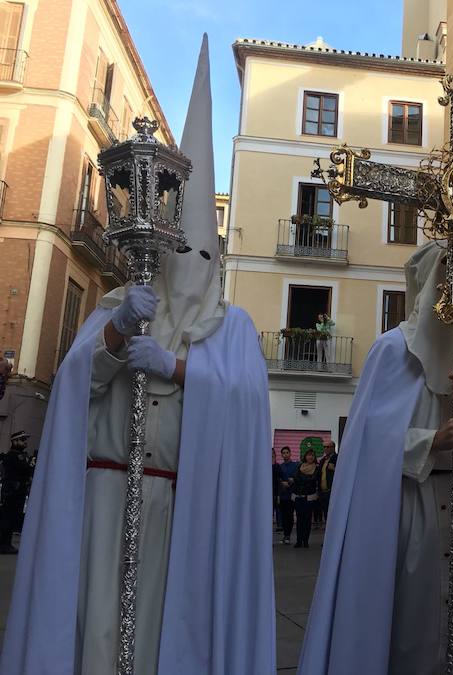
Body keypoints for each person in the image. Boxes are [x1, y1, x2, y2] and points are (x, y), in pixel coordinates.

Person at [0, 36, 275, 674]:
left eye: (205, 256)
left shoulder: (231, 327)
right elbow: (77, 384)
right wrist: (118, 335)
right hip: (104, 494)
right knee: (99, 628)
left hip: (182, 506)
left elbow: (246, 404)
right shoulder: (122, 302)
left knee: (161, 636)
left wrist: (177, 368)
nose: (192, 267)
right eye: (185, 254)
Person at [298, 241, 453, 675]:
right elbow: (367, 445)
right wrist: (431, 440)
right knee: (412, 630)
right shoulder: (390, 351)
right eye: (445, 275)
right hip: (411, 508)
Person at [0, 431, 32, 555]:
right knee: (8, 519)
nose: (25, 442)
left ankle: (6, 543)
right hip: (12, 492)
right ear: (15, 441)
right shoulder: (12, 456)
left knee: (12, 519)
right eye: (22, 440)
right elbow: (24, 469)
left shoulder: (21, 455)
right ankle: (4, 544)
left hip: (18, 491)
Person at [292, 449, 319, 548]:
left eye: (312, 455)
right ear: (305, 456)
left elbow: (313, 480)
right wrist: (305, 479)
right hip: (299, 496)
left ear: (314, 457)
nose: (310, 457)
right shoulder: (300, 466)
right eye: (308, 455)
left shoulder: (316, 468)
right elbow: (295, 478)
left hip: (309, 497)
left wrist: (302, 479)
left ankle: (306, 541)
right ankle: (299, 541)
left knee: (307, 520)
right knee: (299, 520)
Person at [277, 446, 299, 544]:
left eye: (287, 452)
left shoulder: (295, 465)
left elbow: (297, 477)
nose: (285, 454)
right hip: (283, 495)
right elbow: (277, 478)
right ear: (281, 455)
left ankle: (288, 536)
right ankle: (285, 535)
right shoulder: (280, 466)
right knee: (283, 516)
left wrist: (291, 481)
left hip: (292, 494)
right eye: (283, 453)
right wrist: (281, 483)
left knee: (289, 515)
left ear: (290, 453)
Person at [316, 440, 338, 528]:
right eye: (324, 447)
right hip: (323, 492)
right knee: (326, 514)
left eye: (328, 447)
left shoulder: (337, 458)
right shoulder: (323, 460)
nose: (325, 449)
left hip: (332, 491)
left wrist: (334, 469)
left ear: (333, 448)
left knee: (333, 514)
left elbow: (343, 474)